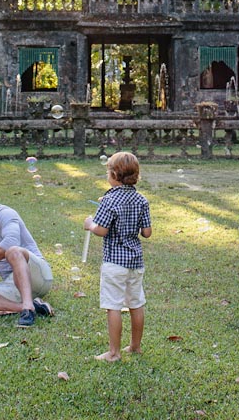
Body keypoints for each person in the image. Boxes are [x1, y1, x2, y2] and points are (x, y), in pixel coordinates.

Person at [84, 151, 152, 362]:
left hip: (115, 263)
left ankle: (114, 353)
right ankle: (135, 347)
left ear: (113, 174)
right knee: (136, 303)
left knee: (113, 305)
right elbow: (147, 233)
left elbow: (101, 230)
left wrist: (89, 225)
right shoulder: (141, 199)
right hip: (135, 262)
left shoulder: (109, 201)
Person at [0, 185, 54, 327]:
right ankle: (32, 307)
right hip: (12, 283)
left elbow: (10, 242)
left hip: (39, 277)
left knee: (13, 251)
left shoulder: (7, 214)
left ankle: (28, 309)